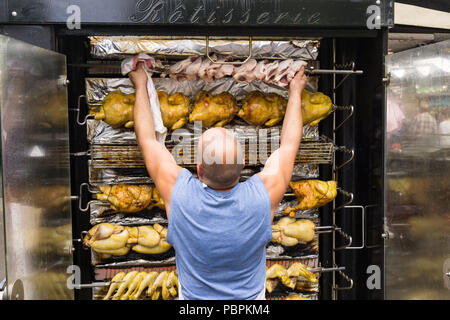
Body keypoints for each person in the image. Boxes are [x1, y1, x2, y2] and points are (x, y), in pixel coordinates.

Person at [128, 63, 307, 300]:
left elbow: (148, 140)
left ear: (199, 171)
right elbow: (289, 145)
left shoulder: (180, 194)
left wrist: (141, 85)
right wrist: (295, 90)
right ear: (244, 167)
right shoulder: (262, 196)